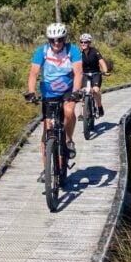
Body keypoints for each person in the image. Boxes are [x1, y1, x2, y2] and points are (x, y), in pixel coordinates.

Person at [25, 22, 83, 160]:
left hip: (67, 90)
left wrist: (76, 91)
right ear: (48, 40)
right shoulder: (43, 51)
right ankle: (46, 170)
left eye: (60, 39)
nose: (56, 43)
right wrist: (31, 92)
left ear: (65, 39)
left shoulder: (72, 50)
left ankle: (68, 140)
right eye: (52, 40)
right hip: (48, 93)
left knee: (69, 112)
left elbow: (78, 72)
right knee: (47, 129)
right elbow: (33, 73)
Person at [78, 33, 110, 120]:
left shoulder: (95, 51)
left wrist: (105, 71)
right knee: (82, 91)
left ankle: (99, 107)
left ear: (89, 43)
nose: (83, 44)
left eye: (85, 42)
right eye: (81, 42)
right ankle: (81, 113)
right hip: (84, 74)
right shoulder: (79, 53)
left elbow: (102, 62)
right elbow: (75, 64)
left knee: (95, 90)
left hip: (96, 74)